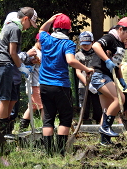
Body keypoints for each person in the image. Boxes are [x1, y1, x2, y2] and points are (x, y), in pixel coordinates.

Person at [39, 14, 94, 156]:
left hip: (44, 85)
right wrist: (86, 69)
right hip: (60, 85)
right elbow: (70, 61)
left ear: (55, 27)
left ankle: (49, 153)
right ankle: (61, 152)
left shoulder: (45, 38)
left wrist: (51, 19)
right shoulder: (68, 44)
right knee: (65, 117)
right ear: (68, 30)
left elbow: (41, 29)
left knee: (48, 117)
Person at [0, 7, 38, 135]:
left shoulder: (11, 27)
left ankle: (8, 129)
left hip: (7, 65)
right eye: (30, 24)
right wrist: (21, 67)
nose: (28, 27)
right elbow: (12, 52)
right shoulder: (15, 28)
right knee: (5, 99)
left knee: (13, 99)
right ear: (26, 19)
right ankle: (1, 132)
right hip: (3, 65)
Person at [90, 17, 127, 146]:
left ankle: (104, 140)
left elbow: (117, 64)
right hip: (99, 75)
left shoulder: (120, 44)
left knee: (107, 109)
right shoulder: (110, 38)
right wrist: (106, 60)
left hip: (109, 76)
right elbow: (95, 46)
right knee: (120, 98)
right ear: (121, 29)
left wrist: (121, 78)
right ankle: (105, 127)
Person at [75, 31, 102, 124]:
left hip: (96, 84)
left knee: (97, 106)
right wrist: (87, 84)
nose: (86, 46)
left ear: (92, 42)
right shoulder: (78, 55)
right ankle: (85, 126)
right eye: (83, 44)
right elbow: (78, 72)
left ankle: (99, 124)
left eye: (88, 44)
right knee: (84, 107)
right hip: (83, 85)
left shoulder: (97, 54)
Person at [19, 33, 44, 131]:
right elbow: (29, 69)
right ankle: (46, 127)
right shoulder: (35, 53)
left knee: (32, 107)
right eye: (42, 42)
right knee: (43, 107)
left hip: (34, 84)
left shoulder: (40, 51)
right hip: (36, 84)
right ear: (37, 41)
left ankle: (22, 128)